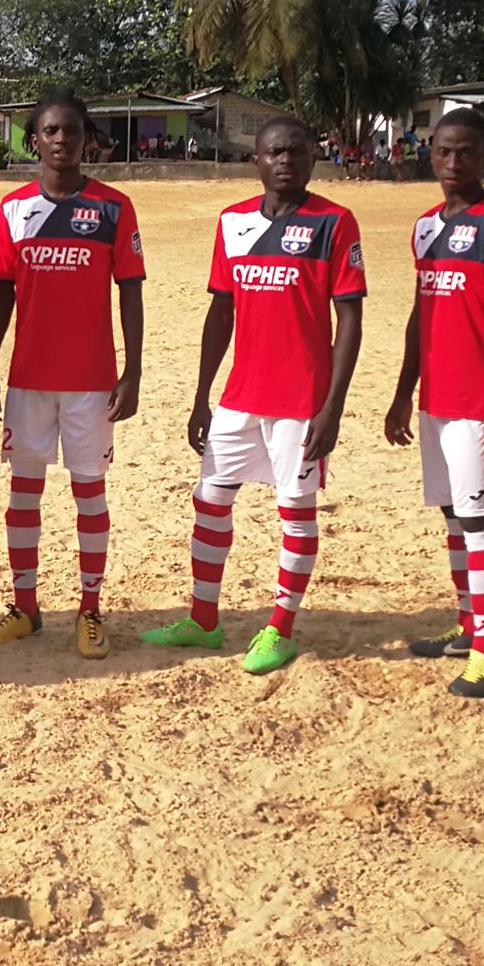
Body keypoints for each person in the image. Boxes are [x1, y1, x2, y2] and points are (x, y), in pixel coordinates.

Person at [144, 115, 365, 672]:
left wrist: (332, 407)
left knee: (295, 511)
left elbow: (350, 319)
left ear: (313, 158)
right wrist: (202, 396)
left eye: (297, 152)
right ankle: (204, 620)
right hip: (240, 396)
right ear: (257, 160)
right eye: (275, 152)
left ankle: (281, 628)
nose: (286, 161)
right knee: (210, 500)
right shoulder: (233, 221)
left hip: (302, 401)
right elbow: (220, 312)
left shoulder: (335, 222)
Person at [0, 89, 145, 661]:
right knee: (23, 495)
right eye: (50, 131)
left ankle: (89, 610)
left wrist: (133, 370)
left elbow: (130, 291)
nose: (61, 140)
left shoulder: (114, 208)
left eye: (72, 130)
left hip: (92, 382)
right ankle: (25, 608)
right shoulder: (13, 209)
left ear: (86, 139)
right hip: (28, 380)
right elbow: (0, 293)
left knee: (89, 493)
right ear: (34, 140)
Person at [386, 107, 484, 699]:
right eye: (444, 151)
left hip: (480, 402)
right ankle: (468, 626)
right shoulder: (426, 225)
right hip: (437, 399)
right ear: (430, 153)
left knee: (478, 521)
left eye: (466, 152)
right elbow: (420, 313)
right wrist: (405, 391)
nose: (453, 162)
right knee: (453, 516)